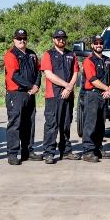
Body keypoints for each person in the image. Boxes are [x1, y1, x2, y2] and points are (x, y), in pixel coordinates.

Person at [40, 29, 79, 164]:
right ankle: (49, 153)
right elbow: (49, 74)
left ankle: (66, 151)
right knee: (52, 124)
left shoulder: (71, 54)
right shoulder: (48, 54)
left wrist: (69, 87)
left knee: (66, 124)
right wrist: (66, 86)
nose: (61, 40)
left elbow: (75, 73)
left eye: (63, 38)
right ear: (53, 39)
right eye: (58, 38)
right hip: (53, 95)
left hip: (68, 95)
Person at [4, 28, 41, 165]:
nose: (22, 41)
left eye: (24, 38)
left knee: (29, 123)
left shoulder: (32, 54)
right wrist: (31, 86)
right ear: (14, 40)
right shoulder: (11, 54)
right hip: (16, 94)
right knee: (15, 124)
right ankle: (12, 154)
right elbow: (14, 75)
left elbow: (38, 71)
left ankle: (28, 151)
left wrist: (36, 86)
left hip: (30, 94)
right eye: (19, 38)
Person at [79, 35, 110, 162]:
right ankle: (88, 151)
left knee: (101, 123)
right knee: (90, 123)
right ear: (92, 45)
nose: (99, 45)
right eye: (96, 43)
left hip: (104, 95)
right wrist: (107, 89)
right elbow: (92, 80)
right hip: (92, 95)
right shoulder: (89, 60)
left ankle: (98, 148)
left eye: (101, 43)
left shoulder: (108, 60)